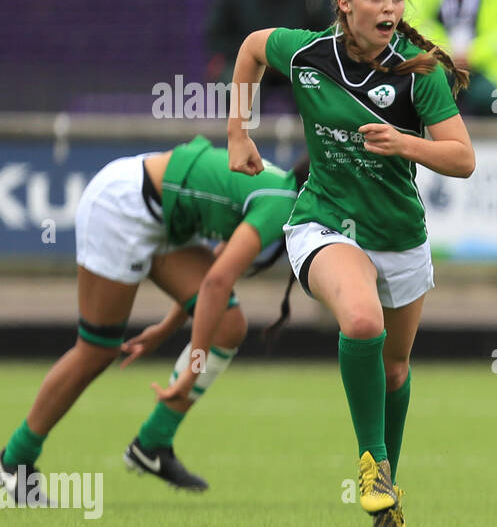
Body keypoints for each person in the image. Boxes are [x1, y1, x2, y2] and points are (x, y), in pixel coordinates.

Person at [226, 0, 475, 527]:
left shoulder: (420, 71)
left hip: (401, 237)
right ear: (344, 3)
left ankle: (387, 483)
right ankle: (370, 462)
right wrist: (238, 128)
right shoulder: (309, 53)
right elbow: (252, 48)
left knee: (394, 368)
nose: (390, 8)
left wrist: (404, 144)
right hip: (324, 224)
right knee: (360, 320)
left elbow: (462, 158)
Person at [1, 136, 306, 503]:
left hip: (160, 218)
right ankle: (12, 464)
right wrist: (194, 366)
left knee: (228, 325)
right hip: (121, 208)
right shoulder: (284, 203)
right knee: (97, 349)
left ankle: (152, 444)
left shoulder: (284, 193)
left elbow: (220, 263)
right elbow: (215, 282)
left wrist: (167, 326)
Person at [206, 0, 332, 107]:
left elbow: (325, 33)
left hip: (295, 63)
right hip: (248, 60)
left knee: (319, 88)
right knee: (232, 86)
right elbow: (216, 33)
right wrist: (246, 54)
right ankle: (237, 131)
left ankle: (313, 132)